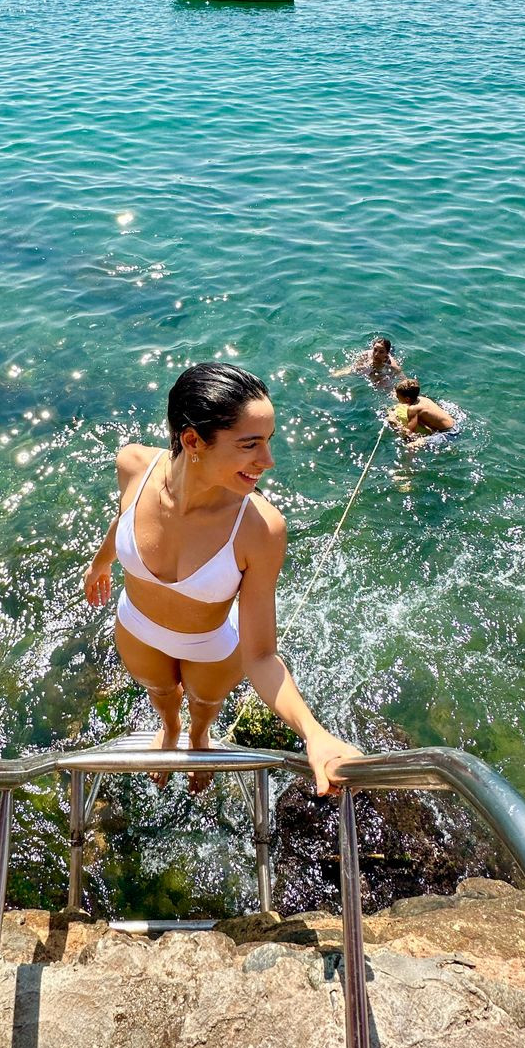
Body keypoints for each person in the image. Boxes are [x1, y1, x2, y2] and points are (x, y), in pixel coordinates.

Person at [84, 362, 360, 795]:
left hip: (210, 647)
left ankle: (198, 738)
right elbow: (124, 517)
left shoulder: (260, 529)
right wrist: (101, 562)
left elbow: (262, 656)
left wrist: (314, 734)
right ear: (193, 441)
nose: (267, 461)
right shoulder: (133, 465)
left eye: (268, 442)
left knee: (204, 707)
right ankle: (171, 732)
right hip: (137, 627)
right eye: (251, 444)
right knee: (162, 696)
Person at [387, 376, 456, 439]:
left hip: (449, 433)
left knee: (411, 445)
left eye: (398, 396)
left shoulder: (413, 409)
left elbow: (409, 434)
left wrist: (394, 422)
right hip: (454, 425)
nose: (396, 397)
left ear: (407, 399)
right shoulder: (422, 398)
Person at [332, 336, 402, 385]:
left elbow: (400, 375)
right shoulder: (366, 354)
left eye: (381, 352)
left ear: (386, 353)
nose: (376, 354)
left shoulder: (390, 362)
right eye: (375, 350)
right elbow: (355, 368)